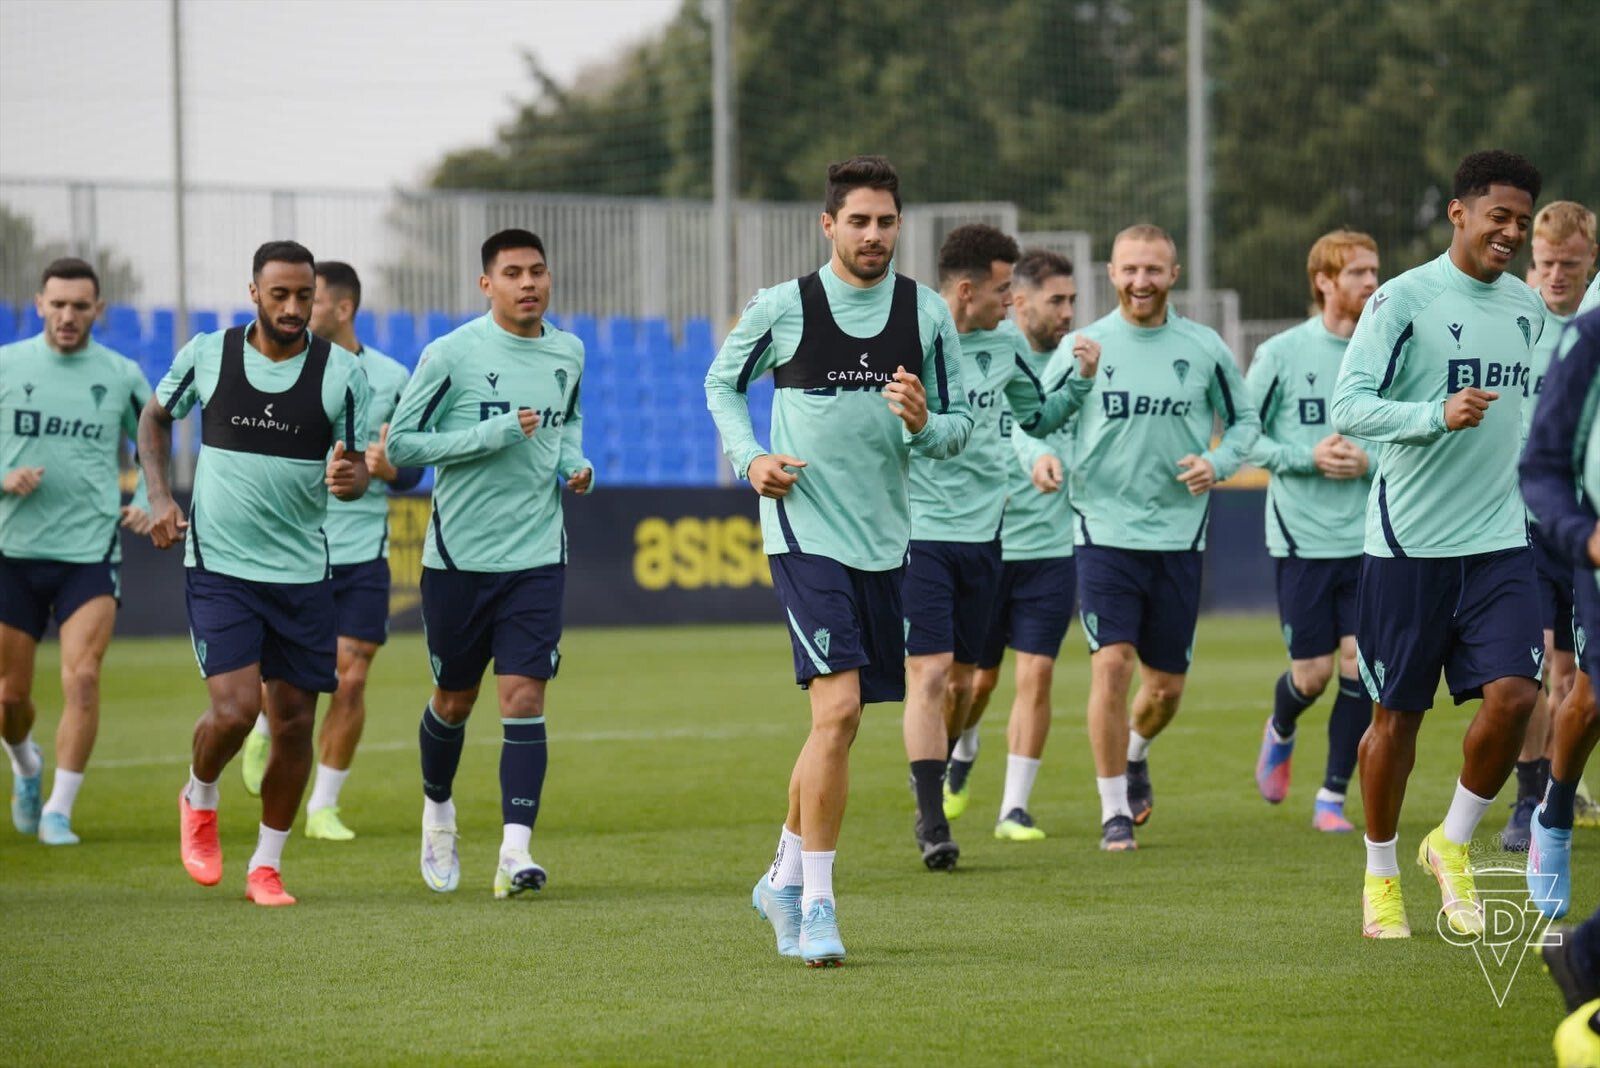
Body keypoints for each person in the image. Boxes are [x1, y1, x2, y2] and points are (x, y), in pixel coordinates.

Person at [704, 156, 971, 965]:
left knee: (838, 726)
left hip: (885, 540)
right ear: (828, 225)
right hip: (801, 528)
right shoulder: (785, 307)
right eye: (858, 220)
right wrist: (751, 457)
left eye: (886, 221)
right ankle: (818, 904)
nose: (873, 234)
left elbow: (958, 433)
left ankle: (783, 877)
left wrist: (925, 422)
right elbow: (721, 385)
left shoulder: (927, 314)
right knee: (840, 712)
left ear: (900, 226)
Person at [1330, 149, 1546, 939]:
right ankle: (1380, 874)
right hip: (1408, 548)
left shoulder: (1527, 309)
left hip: (1500, 542)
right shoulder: (1403, 299)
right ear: (1458, 212)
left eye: (1522, 221)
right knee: (1397, 720)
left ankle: (1450, 841)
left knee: (1519, 698)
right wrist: (1432, 414)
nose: (1512, 233)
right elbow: (1348, 405)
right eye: (1500, 217)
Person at [139, 240, 372, 907]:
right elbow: (154, 418)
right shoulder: (210, 354)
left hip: (302, 573)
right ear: (255, 293)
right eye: (281, 295)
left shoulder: (341, 375)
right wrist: (159, 497)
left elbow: (349, 476)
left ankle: (266, 866)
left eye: (305, 295)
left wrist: (350, 478)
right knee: (238, 711)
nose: (295, 307)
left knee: (294, 721)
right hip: (222, 568)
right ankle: (200, 793)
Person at [386, 229, 592, 901]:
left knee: (524, 696)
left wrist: (573, 465)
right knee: (454, 700)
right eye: (513, 273)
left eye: (537, 271)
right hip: (458, 561)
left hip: (536, 556)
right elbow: (406, 446)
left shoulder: (569, 352)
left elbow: (567, 424)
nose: (528, 283)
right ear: (487, 284)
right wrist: (492, 434)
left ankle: (515, 851)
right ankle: (438, 809)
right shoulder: (451, 354)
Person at [1041, 223, 1259, 852]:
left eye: (1153, 270)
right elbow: (1037, 420)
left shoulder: (1205, 347)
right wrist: (1041, 456)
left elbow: (1246, 423)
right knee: (1111, 664)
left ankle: (1136, 754)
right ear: (1111, 274)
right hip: (1103, 530)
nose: (1141, 281)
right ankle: (1113, 809)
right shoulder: (1084, 346)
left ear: (1174, 274)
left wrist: (1219, 463)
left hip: (1180, 536)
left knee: (1163, 691)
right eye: (1130, 269)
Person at [902, 227, 1090, 868]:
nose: (1012, 300)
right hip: (921, 531)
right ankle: (933, 822)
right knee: (928, 676)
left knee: (963, 686)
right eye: (1004, 288)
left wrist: (1082, 383)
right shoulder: (908, 340)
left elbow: (1037, 417)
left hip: (988, 537)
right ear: (966, 291)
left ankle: (940, 766)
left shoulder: (1006, 348)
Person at [237, 261, 421, 841]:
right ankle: (263, 727)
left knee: (353, 677)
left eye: (311, 301)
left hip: (362, 549)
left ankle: (323, 806)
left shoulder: (392, 376)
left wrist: (391, 466)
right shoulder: (275, 371)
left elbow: (411, 468)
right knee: (289, 683)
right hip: (289, 547)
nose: (296, 311)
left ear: (341, 309)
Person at [0, 258, 151, 846]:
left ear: (98, 311)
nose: (67, 316)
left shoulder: (120, 374)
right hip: (13, 551)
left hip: (89, 550)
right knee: (11, 697)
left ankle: (59, 810)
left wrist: (148, 495)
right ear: (39, 303)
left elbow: (154, 444)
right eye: (57, 304)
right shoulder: (8, 366)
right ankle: (26, 765)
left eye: (79, 306)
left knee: (83, 678)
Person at [957, 249, 1098, 841]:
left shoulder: (1081, 358)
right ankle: (963, 745)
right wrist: (1037, 455)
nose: (1068, 312)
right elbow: (1020, 425)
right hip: (990, 540)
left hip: (1052, 545)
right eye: (1056, 300)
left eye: (1072, 300)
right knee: (978, 684)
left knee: (1036, 677)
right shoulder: (996, 355)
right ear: (1019, 302)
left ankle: (1013, 808)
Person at [1245, 231, 1379, 833]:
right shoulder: (1280, 353)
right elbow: (1246, 439)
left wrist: (1368, 461)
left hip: (1370, 541)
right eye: (1356, 273)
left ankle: (1332, 797)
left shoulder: (1386, 353)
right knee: (1313, 675)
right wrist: (1309, 456)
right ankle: (1282, 725)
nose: (1371, 283)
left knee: (1358, 668)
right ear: (1323, 281)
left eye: (1374, 271)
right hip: (1302, 541)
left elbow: (1403, 434)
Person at [1503, 202, 1599, 850]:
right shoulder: (1513, 327)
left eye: (1570, 264)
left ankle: (1561, 788)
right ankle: (1528, 797)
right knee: (1536, 666)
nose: (1556, 276)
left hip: (1584, 526)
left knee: (1573, 678)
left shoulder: (1592, 330)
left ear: (1591, 261)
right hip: (1522, 523)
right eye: (1546, 264)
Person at [1523, 305, 1600, 1068]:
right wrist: (1586, 536)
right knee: (1576, 694)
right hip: (1587, 559)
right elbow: (1542, 468)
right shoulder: (1591, 336)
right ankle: (1553, 807)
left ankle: (1588, 955)